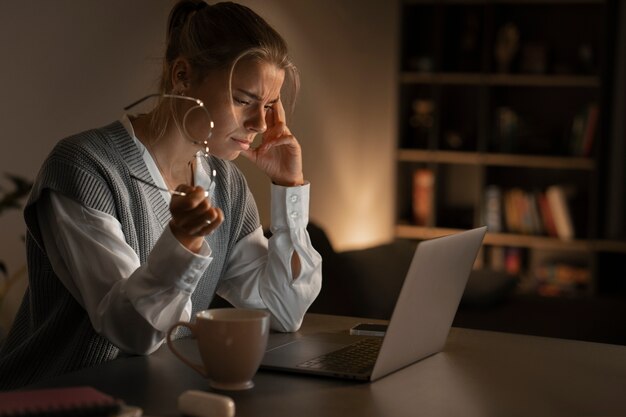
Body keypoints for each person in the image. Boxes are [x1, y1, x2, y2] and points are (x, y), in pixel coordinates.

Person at [0, 0, 322, 390]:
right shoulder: (86, 168)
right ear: (182, 76)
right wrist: (182, 241)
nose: (258, 123)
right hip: (57, 399)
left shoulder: (227, 184)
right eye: (243, 99)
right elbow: (132, 333)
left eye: (270, 106)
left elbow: (283, 310)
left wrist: (290, 187)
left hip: (155, 396)